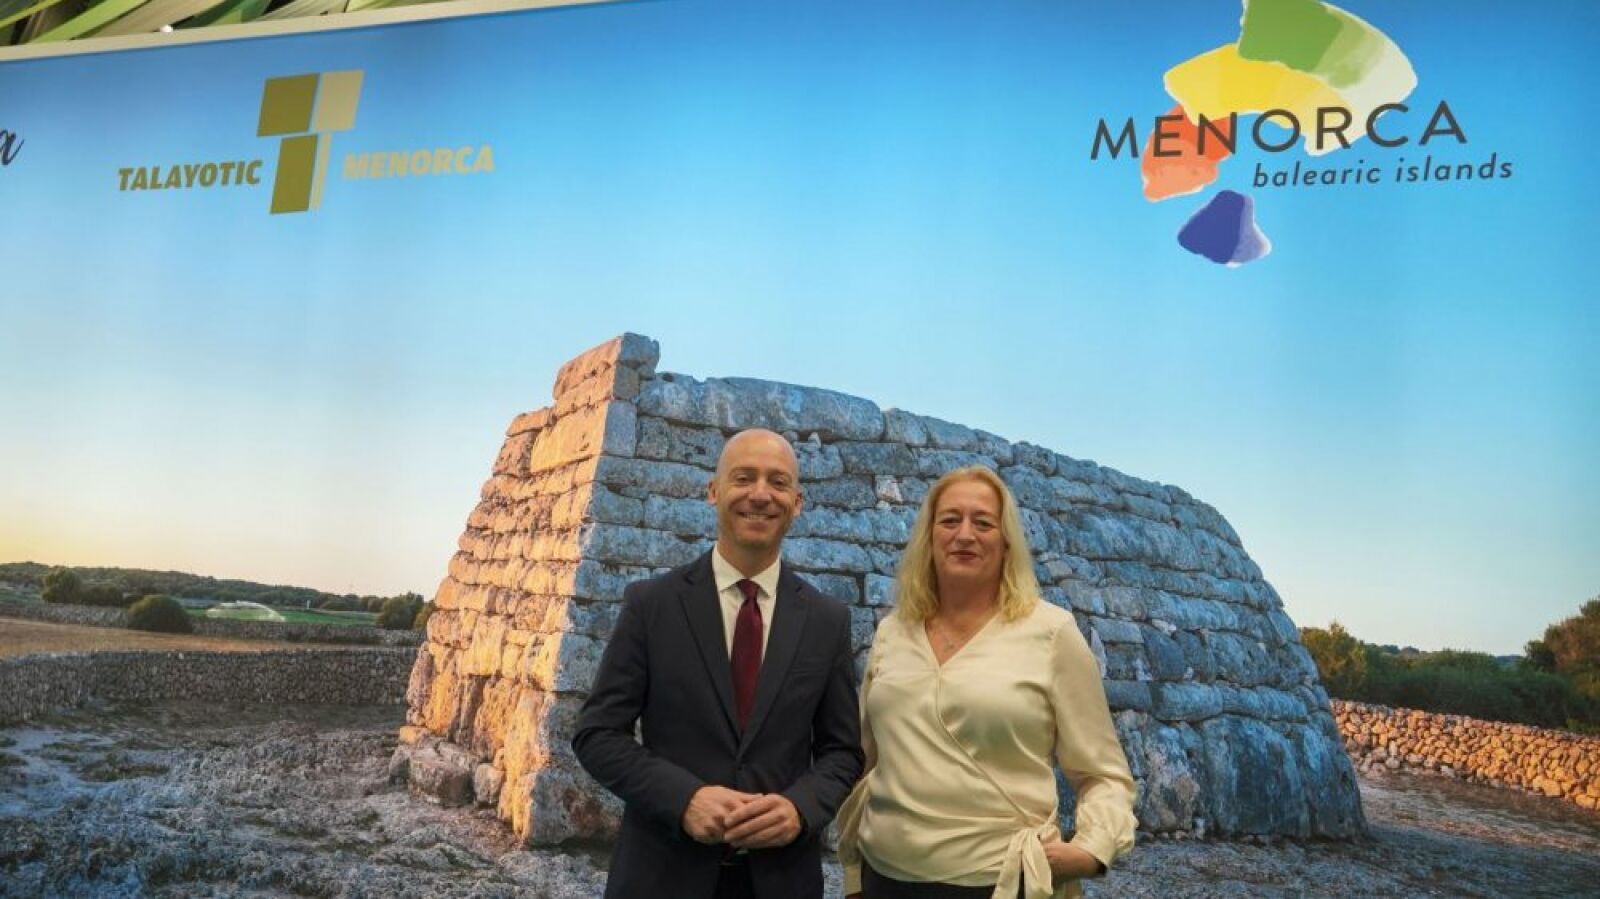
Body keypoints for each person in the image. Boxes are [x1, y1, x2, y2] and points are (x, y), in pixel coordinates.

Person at [572, 428, 864, 899]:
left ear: (797, 502)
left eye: (778, 482)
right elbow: (597, 733)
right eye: (743, 478)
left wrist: (799, 809)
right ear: (714, 491)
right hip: (661, 877)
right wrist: (683, 799)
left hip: (780, 882)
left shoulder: (827, 621)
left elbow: (843, 752)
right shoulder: (652, 605)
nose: (760, 494)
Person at [838, 466, 1136, 899]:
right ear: (929, 537)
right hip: (884, 880)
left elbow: (1103, 773)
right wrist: (853, 871)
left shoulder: (1052, 633)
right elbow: (865, 761)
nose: (964, 534)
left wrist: (1092, 849)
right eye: (949, 520)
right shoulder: (893, 632)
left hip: (1001, 884)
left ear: (1006, 541)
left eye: (983, 523)